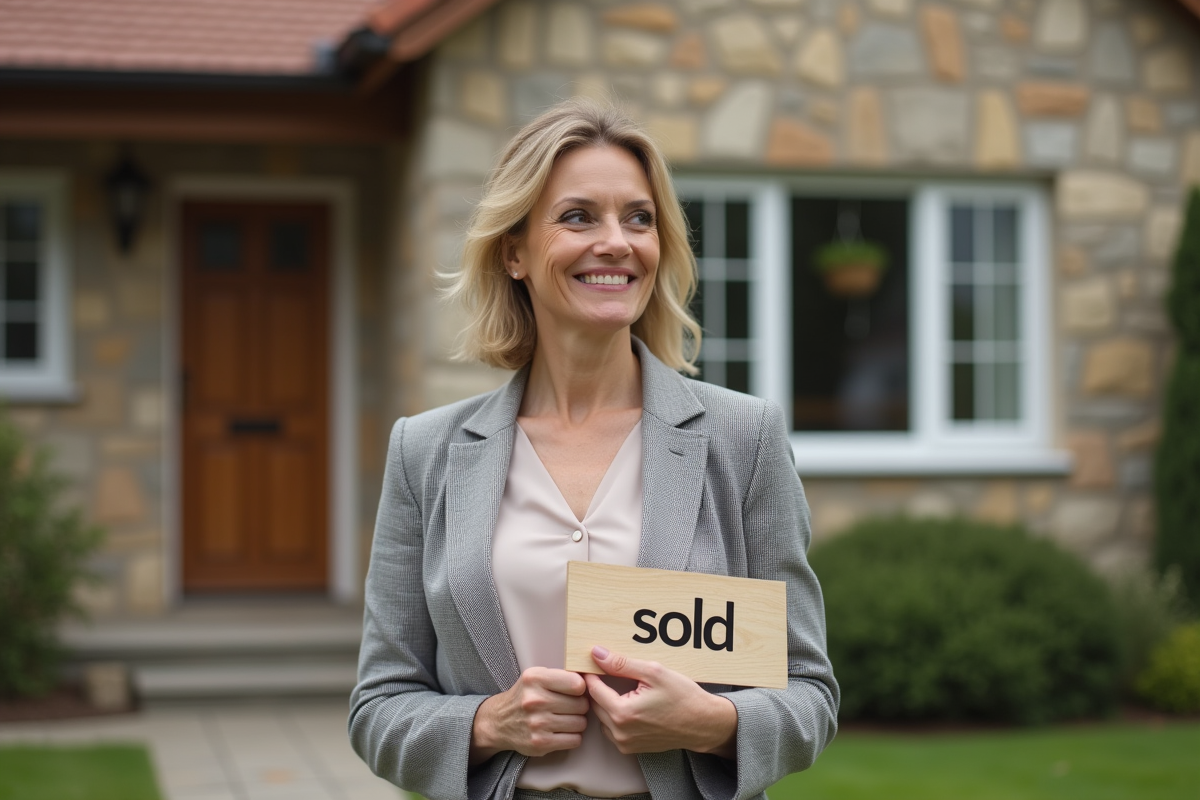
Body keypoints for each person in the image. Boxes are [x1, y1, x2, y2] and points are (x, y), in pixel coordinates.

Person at [349, 98, 838, 800]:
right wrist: (488, 723)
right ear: (514, 251)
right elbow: (378, 707)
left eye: (638, 218)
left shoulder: (744, 439)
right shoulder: (424, 452)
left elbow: (809, 692)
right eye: (578, 217)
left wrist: (711, 722)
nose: (616, 242)